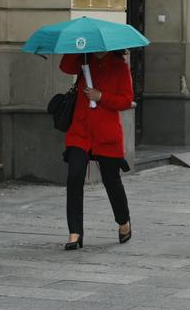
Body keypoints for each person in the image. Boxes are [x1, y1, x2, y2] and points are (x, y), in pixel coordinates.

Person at [59, 51, 133, 250]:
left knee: (111, 180)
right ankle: (75, 232)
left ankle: (123, 220)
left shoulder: (119, 67)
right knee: (74, 176)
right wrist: (75, 49)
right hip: (80, 131)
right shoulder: (84, 60)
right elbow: (65, 67)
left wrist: (101, 96)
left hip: (106, 133)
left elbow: (126, 100)